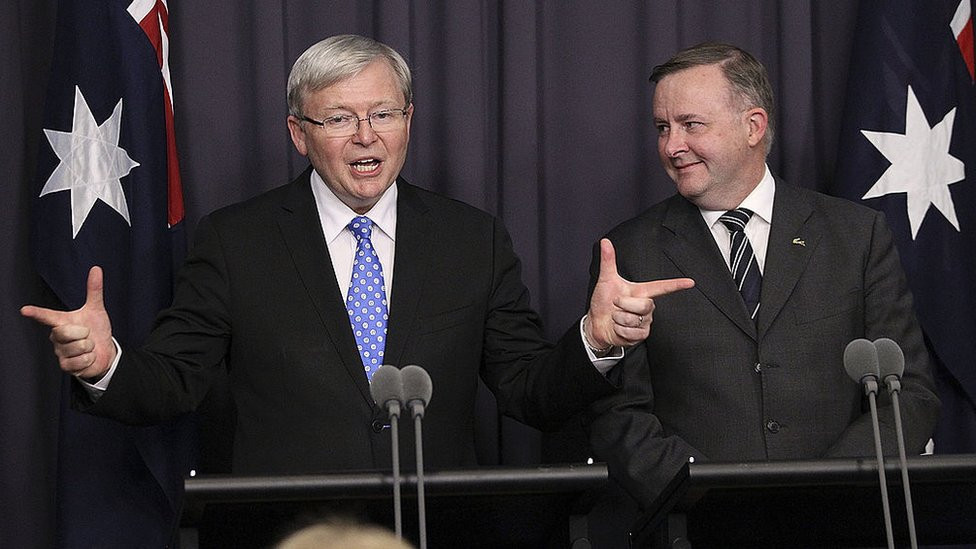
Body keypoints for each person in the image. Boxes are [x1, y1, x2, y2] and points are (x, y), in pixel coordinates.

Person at [20, 34, 694, 476]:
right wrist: (104, 364)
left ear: (408, 118)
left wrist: (598, 342)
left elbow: (531, 391)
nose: (367, 136)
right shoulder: (236, 241)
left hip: (438, 528)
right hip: (293, 532)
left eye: (385, 113)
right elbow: (170, 381)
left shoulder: (472, 239)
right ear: (298, 132)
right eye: (339, 117)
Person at [585, 42, 941, 511]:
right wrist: (715, 498)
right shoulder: (629, 251)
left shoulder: (855, 236)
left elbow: (908, 394)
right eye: (662, 128)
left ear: (753, 126)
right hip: (700, 524)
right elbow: (619, 416)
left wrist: (827, 494)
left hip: (843, 522)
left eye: (691, 125)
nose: (672, 146)